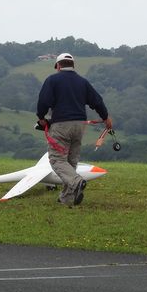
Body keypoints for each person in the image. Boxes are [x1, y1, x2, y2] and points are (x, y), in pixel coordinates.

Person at [36, 53, 112, 206]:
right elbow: (97, 101)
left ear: (58, 66)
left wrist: (41, 117)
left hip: (61, 125)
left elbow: (43, 101)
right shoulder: (83, 82)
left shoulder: (52, 80)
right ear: (73, 65)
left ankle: (76, 182)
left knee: (57, 160)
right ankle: (66, 198)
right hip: (80, 125)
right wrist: (105, 118)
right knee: (71, 161)